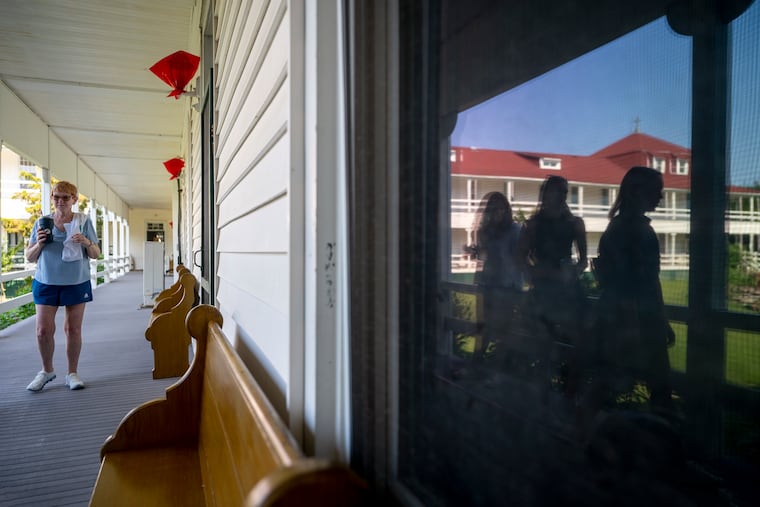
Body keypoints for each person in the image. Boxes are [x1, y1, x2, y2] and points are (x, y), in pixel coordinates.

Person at [586, 166, 675, 415]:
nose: (660, 196)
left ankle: (585, 427)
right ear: (638, 193)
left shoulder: (614, 228)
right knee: (657, 385)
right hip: (638, 320)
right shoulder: (640, 231)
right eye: (656, 191)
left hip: (616, 318)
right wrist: (659, 321)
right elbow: (647, 283)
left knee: (610, 380)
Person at [24, 181, 101, 391]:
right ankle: (47, 370)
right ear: (52, 198)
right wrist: (39, 244)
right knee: (42, 330)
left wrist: (86, 242)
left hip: (76, 281)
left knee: (73, 329)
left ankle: (72, 373)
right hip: (46, 281)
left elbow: (95, 254)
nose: (60, 201)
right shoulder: (42, 222)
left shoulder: (83, 221)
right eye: (56, 196)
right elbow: (30, 257)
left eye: (66, 197)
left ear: (74, 199)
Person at [520, 176, 587, 392]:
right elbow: (520, 258)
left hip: (568, 292)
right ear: (545, 193)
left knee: (577, 344)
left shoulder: (575, 223)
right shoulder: (533, 225)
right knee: (543, 345)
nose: (559, 195)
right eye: (554, 190)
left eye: (564, 191)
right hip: (543, 292)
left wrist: (574, 271)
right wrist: (533, 272)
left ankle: (569, 394)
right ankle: (544, 394)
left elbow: (583, 259)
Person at [467, 192, 524, 371]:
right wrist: (475, 251)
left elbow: (519, 258)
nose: (497, 212)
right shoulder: (486, 232)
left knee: (504, 331)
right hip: (488, 285)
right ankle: (478, 365)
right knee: (484, 327)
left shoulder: (515, 230)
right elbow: (486, 257)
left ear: (506, 210)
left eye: (500, 208)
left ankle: (498, 370)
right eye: (493, 209)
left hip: (507, 287)